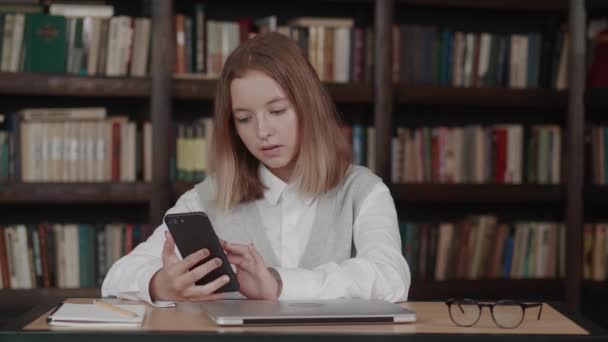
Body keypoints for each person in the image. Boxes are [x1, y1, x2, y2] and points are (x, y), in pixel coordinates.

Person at [101, 32, 410, 305]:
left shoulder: (363, 191)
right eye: (244, 118)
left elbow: (391, 278)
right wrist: (159, 284)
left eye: (277, 111)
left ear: (309, 106)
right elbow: (116, 278)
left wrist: (278, 283)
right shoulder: (208, 197)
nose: (262, 131)